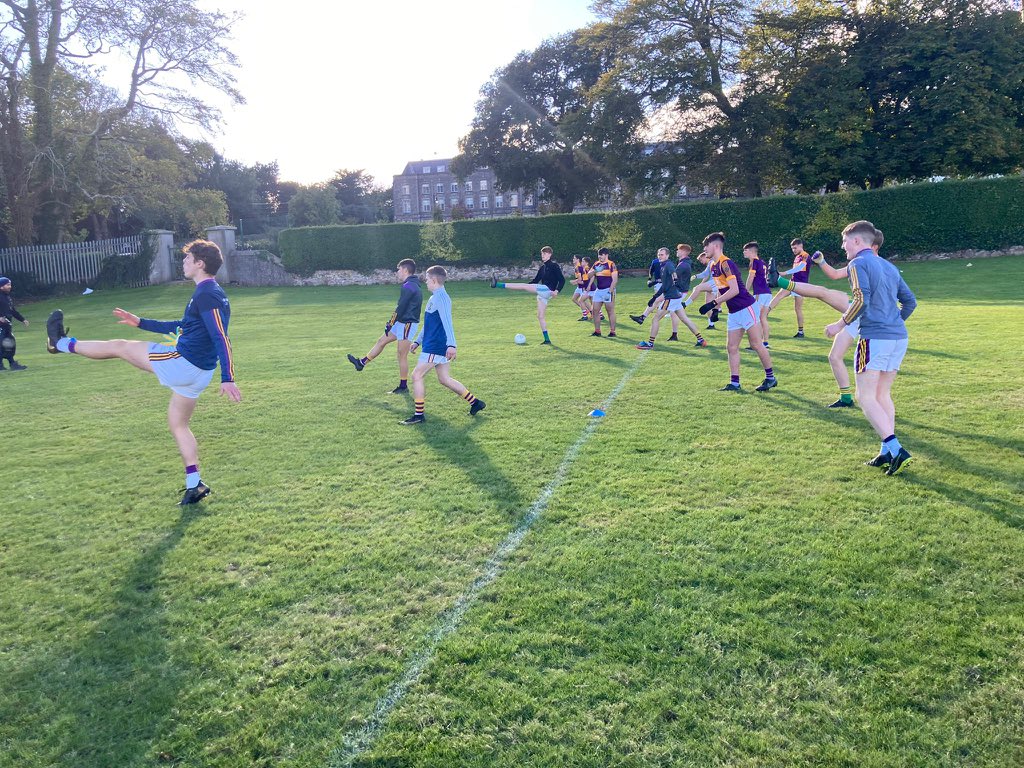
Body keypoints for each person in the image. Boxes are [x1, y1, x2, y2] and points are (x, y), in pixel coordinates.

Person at [44, 239, 242, 504]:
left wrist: (228, 377)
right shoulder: (209, 292)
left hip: (183, 363)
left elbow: (221, 336)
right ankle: (194, 484)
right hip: (199, 372)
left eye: (187, 258)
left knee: (119, 346)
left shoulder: (207, 293)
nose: (182, 262)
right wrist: (140, 323)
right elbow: (183, 326)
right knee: (178, 424)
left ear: (199, 263)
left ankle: (58, 343)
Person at [825, 221, 916, 475]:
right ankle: (886, 452)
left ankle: (896, 450)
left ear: (856, 241)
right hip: (898, 338)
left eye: (844, 242)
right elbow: (910, 302)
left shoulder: (857, 263)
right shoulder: (889, 265)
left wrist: (839, 324)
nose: (843, 248)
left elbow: (860, 299)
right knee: (881, 395)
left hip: (874, 338)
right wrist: (893, 323)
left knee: (864, 397)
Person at [772, 231, 889, 408]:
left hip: (869, 315)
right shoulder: (859, 262)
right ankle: (846, 398)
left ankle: (779, 281)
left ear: (873, 246)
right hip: (857, 313)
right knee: (835, 356)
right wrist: (822, 262)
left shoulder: (880, 265)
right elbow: (834, 274)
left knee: (822, 293)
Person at [402, 265, 486, 425]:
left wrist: (452, 345)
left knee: (416, 375)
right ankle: (476, 403)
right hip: (432, 344)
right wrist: (418, 341)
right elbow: (429, 324)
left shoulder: (441, 298)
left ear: (434, 280)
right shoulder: (435, 298)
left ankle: (419, 415)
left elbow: (448, 322)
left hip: (436, 345)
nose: (425, 282)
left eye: (427, 279)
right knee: (444, 379)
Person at [698, 232, 777, 392]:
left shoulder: (725, 263)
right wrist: (715, 310)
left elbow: (734, 290)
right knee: (731, 347)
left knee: (756, 344)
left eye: (706, 246)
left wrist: (713, 303)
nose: (704, 250)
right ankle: (734, 383)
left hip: (747, 308)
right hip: (734, 312)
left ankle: (770, 378)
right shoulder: (713, 265)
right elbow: (721, 288)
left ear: (715, 246)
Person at [347, 258, 422, 392]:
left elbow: (400, 308)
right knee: (381, 341)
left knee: (401, 355)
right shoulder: (411, 284)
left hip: (407, 324)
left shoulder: (409, 286)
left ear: (405, 270)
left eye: (398, 269)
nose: (397, 272)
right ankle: (361, 363)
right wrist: (392, 323)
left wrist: (390, 323)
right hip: (401, 322)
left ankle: (403, 386)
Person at [490, 246, 565, 344]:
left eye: (545, 253)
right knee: (540, 316)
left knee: (523, 286)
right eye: (542, 253)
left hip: (547, 290)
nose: (543, 255)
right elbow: (535, 281)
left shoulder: (554, 266)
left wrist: (557, 291)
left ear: (550, 254)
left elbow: (562, 280)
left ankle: (497, 284)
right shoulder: (542, 268)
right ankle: (547, 340)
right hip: (543, 293)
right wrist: (526, 286)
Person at [635, 247, 706, 349]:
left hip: (672, 296)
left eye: (662, 254)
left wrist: (662, 286)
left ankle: (650, 343)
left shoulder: (675, 265)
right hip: (676, 296)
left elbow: (672, 280)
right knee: (684, 318)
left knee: (655, 319)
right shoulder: (674, 264)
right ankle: (701, 340)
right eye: (659, 254)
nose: (676, 251)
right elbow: (668, 283)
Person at [767, 238, 813, 337]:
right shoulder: (797, 257)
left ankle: (801, 332)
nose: (794, 250)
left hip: (801, 286)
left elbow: (800, 268)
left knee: (798, 309)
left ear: (801, 245)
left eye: (795, 248)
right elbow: (796, 269)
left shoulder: (805, 255)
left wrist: (784, 273)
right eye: (792, 249)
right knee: (778, 296)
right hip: (792, 283)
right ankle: (765, 314)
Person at [742, 242, 772, 350]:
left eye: (745, 250)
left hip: (760, 293)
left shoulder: (754, 261)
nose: (743, 252)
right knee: (763, 318)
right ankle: (765, 343)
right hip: (767, 293)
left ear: (751, 251)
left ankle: (756, 344)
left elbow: (751, 277)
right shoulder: (762, 262)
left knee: (754, 319)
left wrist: (745, 291)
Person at [586, 248, 618, 337]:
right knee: (594, 310)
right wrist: (596, 271)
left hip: (608, 290)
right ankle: (597, 331)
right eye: (599, 255)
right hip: (598, 291)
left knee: (610, 310)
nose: (600, 257)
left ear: (606, 255)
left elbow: (615, 280)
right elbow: (588, 276)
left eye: (601, 255)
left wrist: (610, 292)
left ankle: (612, 331)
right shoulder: (596, 264)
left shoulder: (611, 264)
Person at [0, 276, 29, 371]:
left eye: (10, 284)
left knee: (9, 344)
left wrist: (22, 319)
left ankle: (12, 363)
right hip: (1, 326)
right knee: (1, 345)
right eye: (7, 285)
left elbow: (12, 310)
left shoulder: (7, 297)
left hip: (7, 326)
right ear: (1, 286)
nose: (10, 286)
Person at [569, 255, 593, 321]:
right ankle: (587, 311)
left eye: (574, 258)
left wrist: (574, 281)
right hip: (579, 287)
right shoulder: (578, 267)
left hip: (582, 287)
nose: (573, 259)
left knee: (583, 301)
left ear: (578, 260)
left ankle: (589, 313)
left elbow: (580, 278)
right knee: (574, 299)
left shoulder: (579, 268)